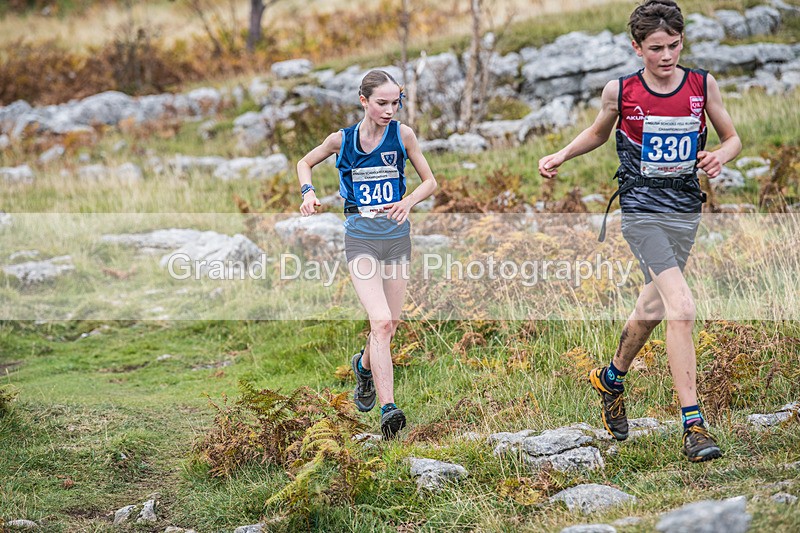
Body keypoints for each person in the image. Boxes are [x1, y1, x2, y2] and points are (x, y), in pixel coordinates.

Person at [538, 0, 741, 462]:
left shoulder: (701, 84)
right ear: (637, 48)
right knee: (681, 307)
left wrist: (719, 157)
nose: (666, 56)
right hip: (641, 210)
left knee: (652, 307)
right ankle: (694, 426)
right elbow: (598, 132)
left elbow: (732, 138)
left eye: (674, 45)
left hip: (684, 210)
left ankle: (610, 379)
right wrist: (561, 155)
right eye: (655, 48)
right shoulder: (622, 90)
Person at [297, 69, 437, 439]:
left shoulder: (403, 135)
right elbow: (304, 162)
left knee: (389, 324)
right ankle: (389, 409)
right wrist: (309, 193)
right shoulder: (341, 140)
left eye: (395, 103)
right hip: (360, 240)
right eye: (382, 103)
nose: (390, 110)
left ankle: (363, 366)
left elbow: (431, 181)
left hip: (397, 239)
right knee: (381, 322)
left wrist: (407, 201)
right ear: (364, 101)